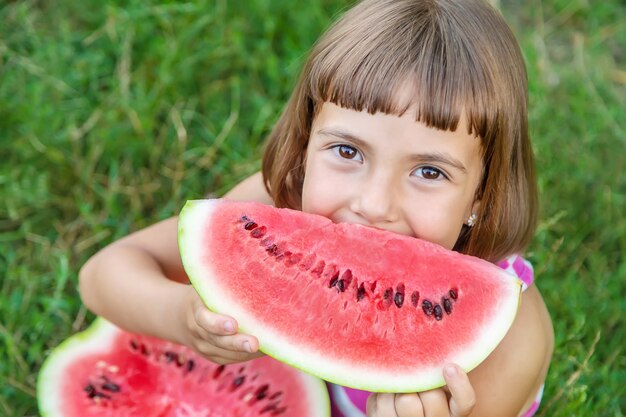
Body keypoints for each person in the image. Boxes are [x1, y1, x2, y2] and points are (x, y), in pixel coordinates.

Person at [79, 0, 554, 416]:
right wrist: (181, 315)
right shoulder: (277, 203)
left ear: (481, 194)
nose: (373, 205)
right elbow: (103, 274)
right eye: (348, 152)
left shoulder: (511, 339)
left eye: (429, 172)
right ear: (306, 146)